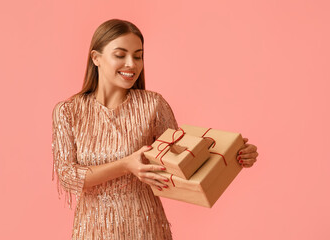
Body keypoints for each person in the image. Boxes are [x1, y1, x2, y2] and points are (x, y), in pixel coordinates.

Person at [51, 18, 259, 240]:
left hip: (146, 227)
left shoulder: (153, 105)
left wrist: (235, 156)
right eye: (120, 55)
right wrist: (125, 165)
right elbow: (68, 176)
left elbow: (184, 164)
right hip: (93, 230)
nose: (131, 64)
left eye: (138, 56)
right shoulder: (68, 111)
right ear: (96, 58)